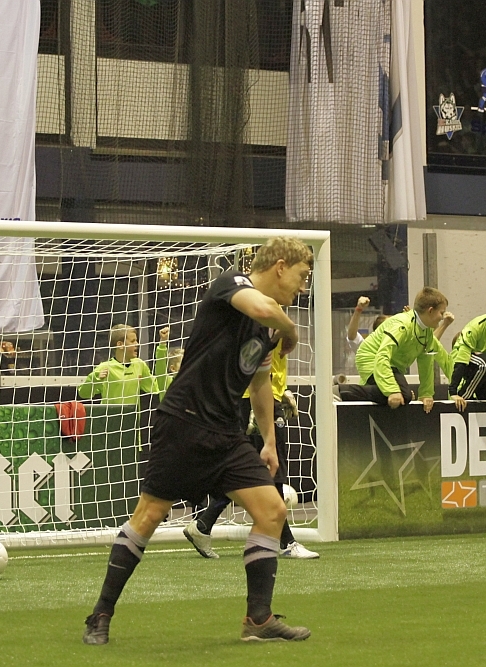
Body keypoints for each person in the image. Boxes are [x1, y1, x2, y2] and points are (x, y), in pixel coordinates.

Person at [82, 236, 313, 645]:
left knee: (273, 511)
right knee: (150, 516)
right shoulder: (231, 284)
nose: (303, 286)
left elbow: (260, 383)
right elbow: (261, 308)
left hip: (226, 433)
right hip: (183, 424)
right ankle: (100, 614)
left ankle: (258, 620)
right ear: (280, 266)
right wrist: (289, 327)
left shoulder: (270, 327)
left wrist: (269, 442)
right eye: (302, 275)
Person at [183, 337, 319, 561]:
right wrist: (260, 407)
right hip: (257, 399)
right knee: (271, 470)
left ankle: (203, 525)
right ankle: (286, 542)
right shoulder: (266, 320)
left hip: (260, 396)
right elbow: (255, 354)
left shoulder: (272, 321)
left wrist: (281, 390)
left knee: (247, 472)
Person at [336, 287, 453, 414]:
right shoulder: (402, 325)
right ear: (430, 311)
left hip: (392, 366)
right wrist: (392, 390)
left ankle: (353, 392)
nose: (442, 317)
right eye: (441, 312)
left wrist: (426, 394)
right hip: (371, 359)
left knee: (405, 396)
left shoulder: (427, 332)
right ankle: (342, 391)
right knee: (403, 395)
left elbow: (426, 362)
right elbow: (382, 355)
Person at [77, 324, 159, 405]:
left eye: (136, 340)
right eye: (132, 341)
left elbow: (156, 387)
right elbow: (83, 394)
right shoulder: (105, 367)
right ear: (120, 345)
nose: (137, 344)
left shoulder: (139, 365)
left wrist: (162, 345)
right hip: (110, 413)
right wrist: (95, 379)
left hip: (133, 414)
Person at [152, 326, 184, 399]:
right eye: (182, 363)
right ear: (173, 368)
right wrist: (163, 342)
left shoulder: (190, 381)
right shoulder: (165, 382)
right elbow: (160, 365)